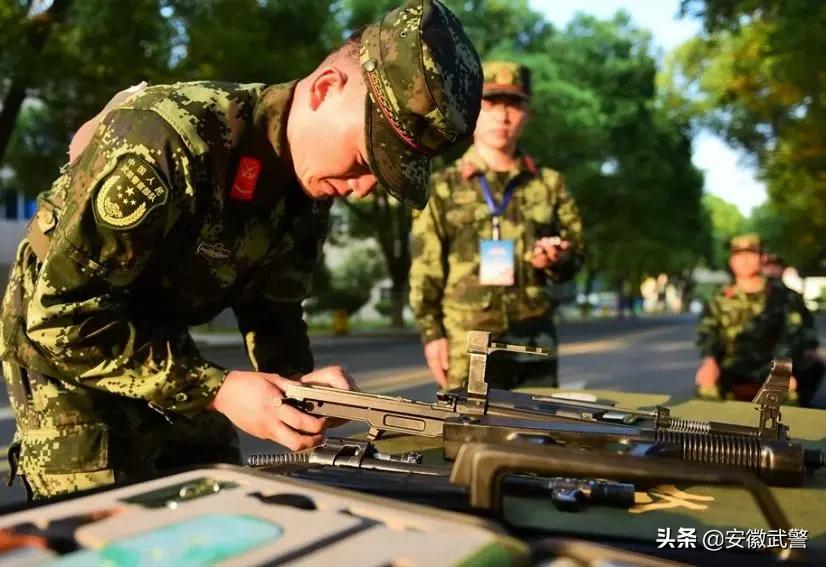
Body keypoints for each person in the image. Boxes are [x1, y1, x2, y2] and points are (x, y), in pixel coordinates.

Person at [0, 0, 483, 500]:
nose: (363, 189)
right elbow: (60, 317)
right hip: (65, 344)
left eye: (382, 178)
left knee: (214, 484)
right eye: (366, 160)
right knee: (106, 508)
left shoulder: (311, 187)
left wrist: (301, 389)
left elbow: (274, 307)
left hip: (156, 330)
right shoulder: (169, 139)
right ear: (324, 90)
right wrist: (219, 388)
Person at [409, 60, 585, 391]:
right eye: (491, 103)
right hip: (468, 341)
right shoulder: (444, 186)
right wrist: (432, 335)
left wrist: (555, 260)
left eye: (514, 104)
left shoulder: (549, 184)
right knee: (468, 437)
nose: (503, 117)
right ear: (471, 111)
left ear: (527, 114)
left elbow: (577, 252)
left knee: (536, 435)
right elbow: (425, 268)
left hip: (535, 339)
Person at [695, 234, 822, 405]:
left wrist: (783, 370)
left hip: (774, 369)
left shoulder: (785, 297)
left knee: (809, 371)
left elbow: (794, 336)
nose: (744, 260)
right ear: (731, 261)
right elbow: (707, 333)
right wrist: (709, 361)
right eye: (738, 255)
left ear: (762, 258)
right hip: (732, 370)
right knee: (706, 385)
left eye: (751, 254)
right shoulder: (718, 298)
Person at [762, 252, 824, 406]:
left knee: (815, 366)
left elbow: (805, 325)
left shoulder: (792, 297)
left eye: (775, 266)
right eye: (768, 266)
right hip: (762, 355)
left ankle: (802, 404)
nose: (771, 270)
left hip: (792, 354)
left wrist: (811, 347)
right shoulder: (755, 296)